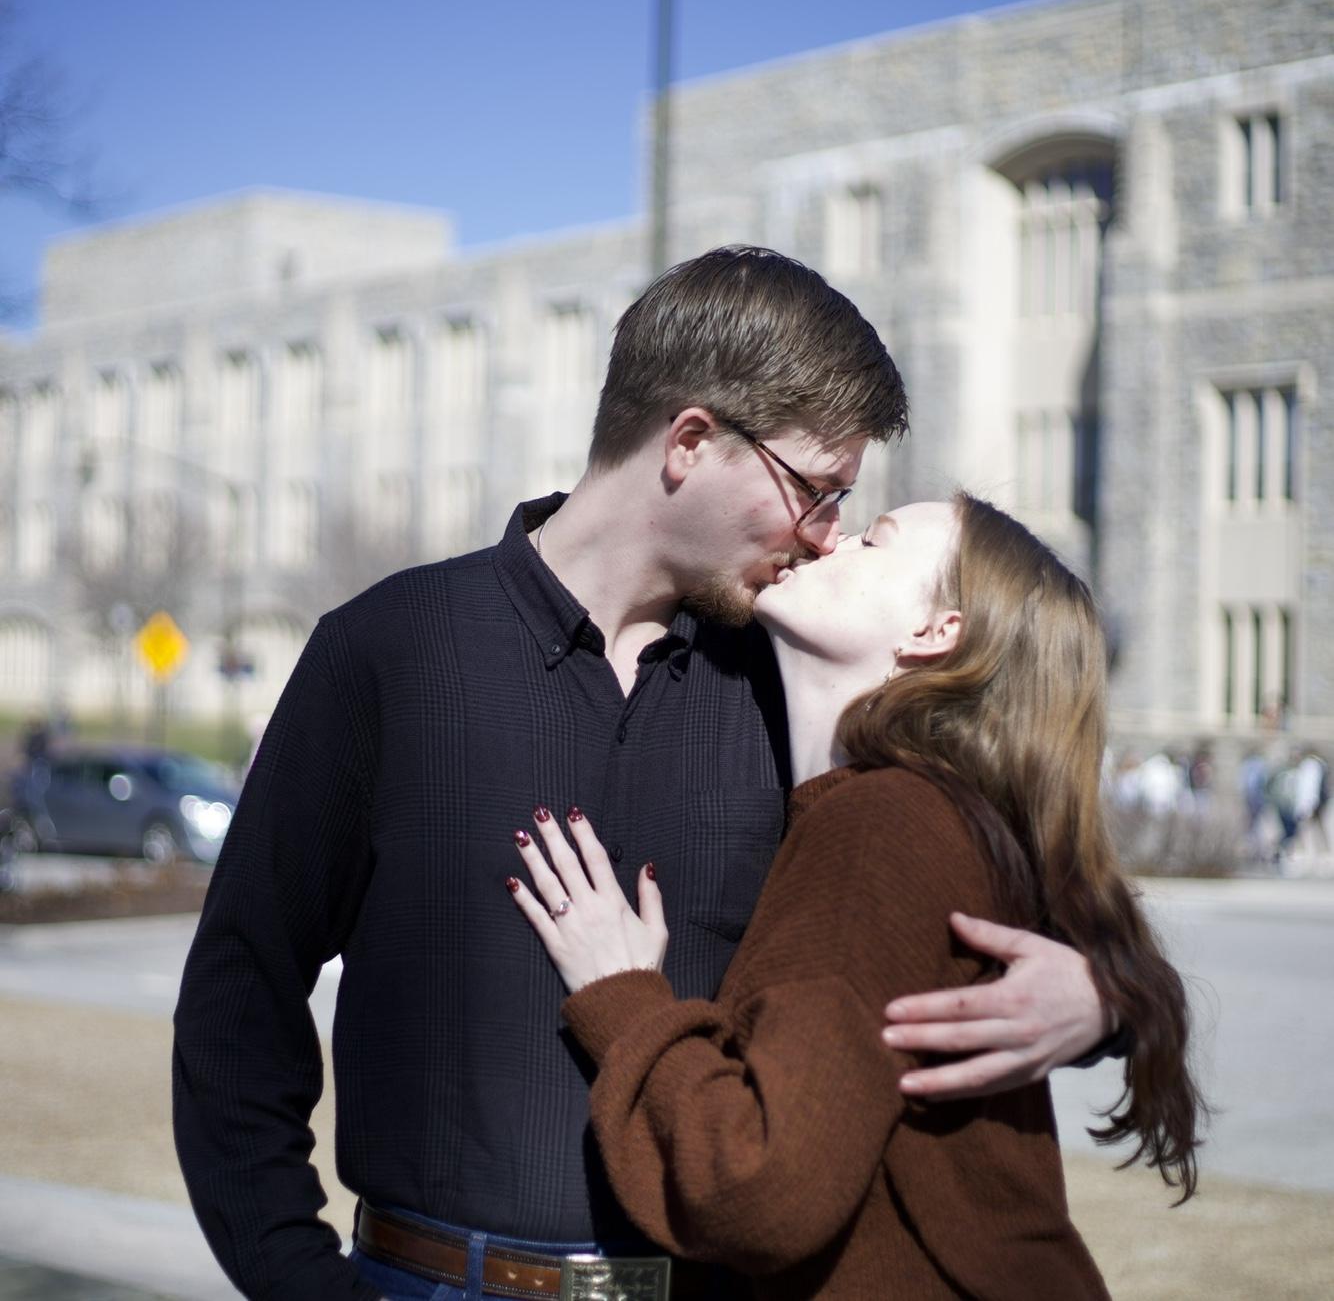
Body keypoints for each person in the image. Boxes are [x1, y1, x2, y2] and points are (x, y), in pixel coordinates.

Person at [173, 248, 1116, 1301]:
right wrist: (303, 1282)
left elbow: (993, 867)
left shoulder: (799, 687)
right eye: (816, 491)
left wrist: (1101, 994)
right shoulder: (387, 651)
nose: (826, 535)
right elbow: (237, 998)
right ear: (691, 442)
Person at [511, 495, 1202, 1299]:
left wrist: (621, 996)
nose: (831, 538)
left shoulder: (882, 823)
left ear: (935, 632)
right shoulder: (923, 812)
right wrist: (1114, 988)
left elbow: (759, 1190)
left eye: (875, 540)